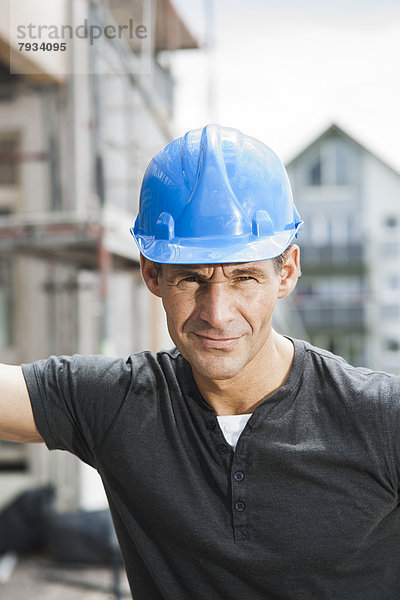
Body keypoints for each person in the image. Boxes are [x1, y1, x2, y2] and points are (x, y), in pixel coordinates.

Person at [1, 124, 400, 600]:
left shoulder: (381, 418)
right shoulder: (119, 404)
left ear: (287, 271)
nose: (216, 314)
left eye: (244, 279)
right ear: (152, 274)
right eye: (191, 280)